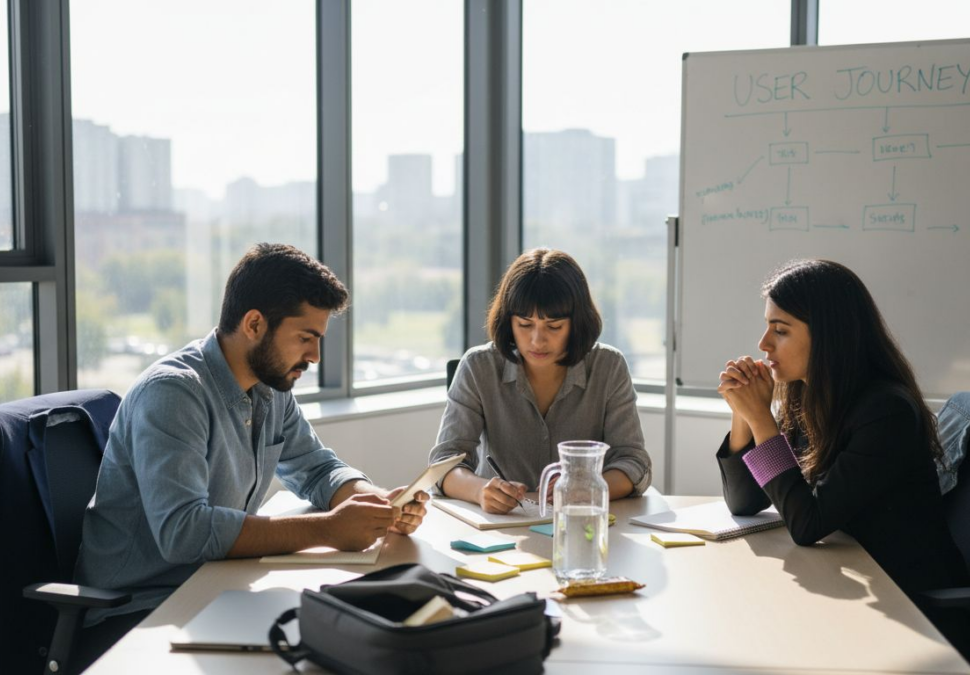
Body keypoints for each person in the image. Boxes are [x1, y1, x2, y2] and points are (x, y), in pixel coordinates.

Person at [73, 243, 428, 665]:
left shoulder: (269, 386)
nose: (315, 357)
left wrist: (373, 503)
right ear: (255, 324)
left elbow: (317, 468)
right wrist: (328, 529)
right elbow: (183, 533)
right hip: (140, 611)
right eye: (305, 338)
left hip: (221, 585)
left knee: (353, 640)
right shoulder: (173, 393)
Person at [715, 258, 970, 659]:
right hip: (855, 584)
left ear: (828, 336)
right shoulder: (809, 394)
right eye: (768, 327)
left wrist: (762, 419)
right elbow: (744, 502)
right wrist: (744, 416)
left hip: (911, 611)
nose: (764, 343)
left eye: (780, 330)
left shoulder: (886, 412)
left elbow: (808, 524)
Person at [429, 248, 651, 514]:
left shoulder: (608, 366)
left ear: (577, 323)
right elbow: (443, 464)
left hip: (582, 521)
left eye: (554, 326)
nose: (537, 340)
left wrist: (586, 489)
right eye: (524, 324)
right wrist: (480, 491)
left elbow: (633, 462)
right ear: (508, 322)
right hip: (503, 526)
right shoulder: (478, 367)